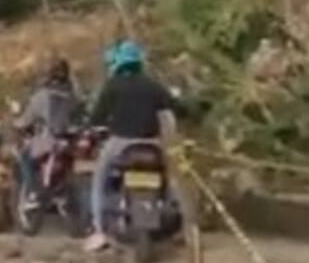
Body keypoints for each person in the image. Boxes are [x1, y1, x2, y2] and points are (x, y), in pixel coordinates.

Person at [83, 40, 186, 251]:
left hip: (120, 144)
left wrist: (93, 127)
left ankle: (99, 230)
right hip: (152, 144)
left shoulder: (113, 85)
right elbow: (177, 107)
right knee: (172, 180)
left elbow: (96, 117)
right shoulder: (152, 85)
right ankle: (182, 227)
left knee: (99, 181)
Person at [13, 59, 82, 204]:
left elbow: (26, 120)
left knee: (24, 157)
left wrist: (17, 124)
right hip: (70, 143)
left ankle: (33, 191)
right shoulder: (74, 96)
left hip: (49, 142)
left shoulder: (42, 96)